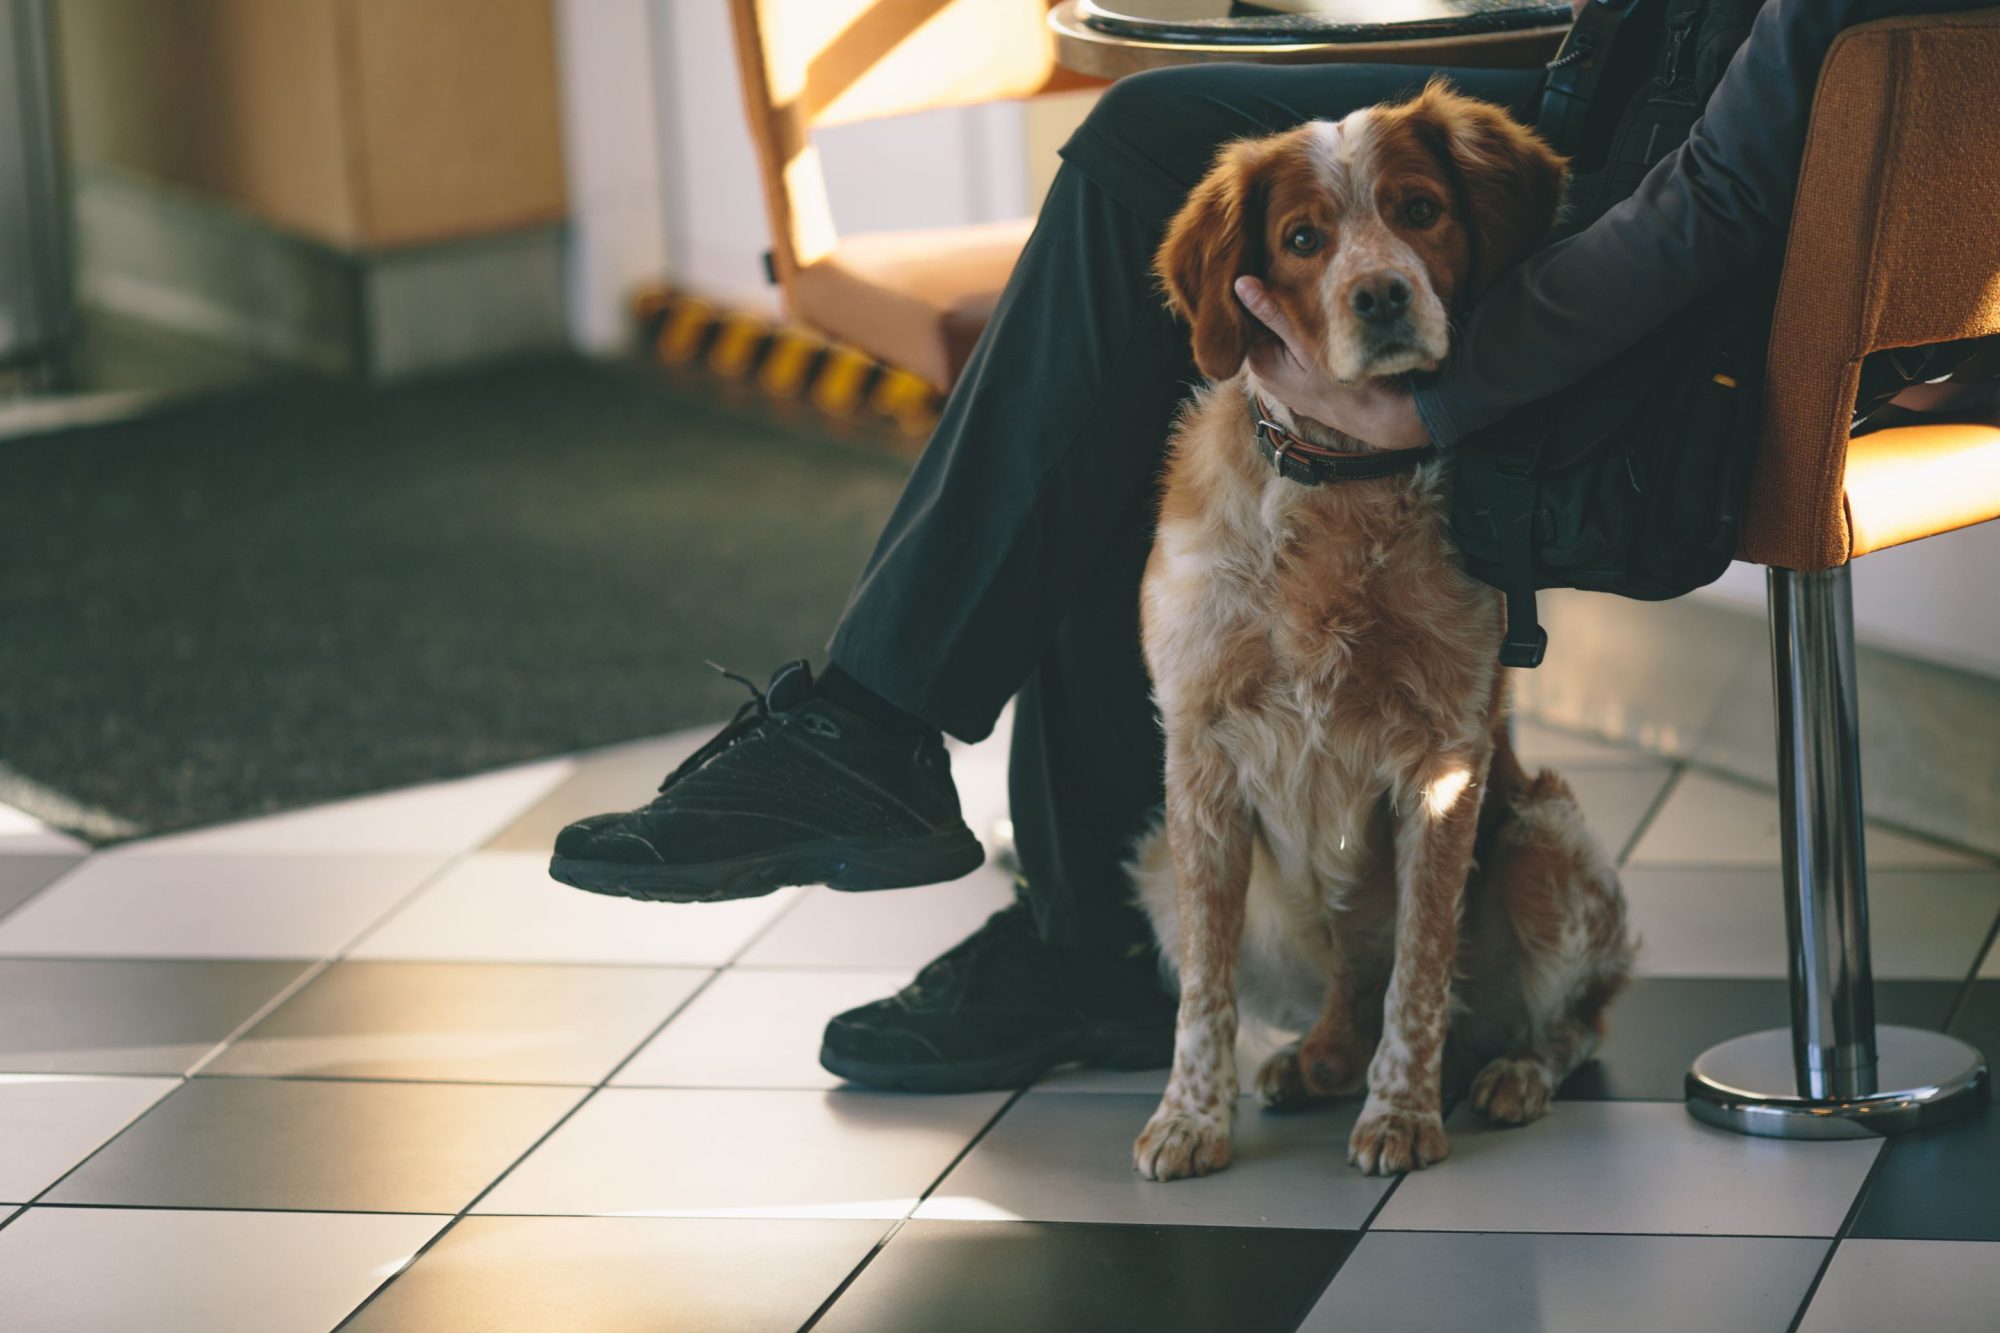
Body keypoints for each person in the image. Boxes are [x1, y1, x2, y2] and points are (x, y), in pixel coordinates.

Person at [550, 0, 1988, 1093]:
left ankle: (952, 813)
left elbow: (1730, 195)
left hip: (1760, 270)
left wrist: (1426, 391)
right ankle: (966, 819)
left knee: (1146, 222)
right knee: (1149, 167)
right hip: (1646, 112)